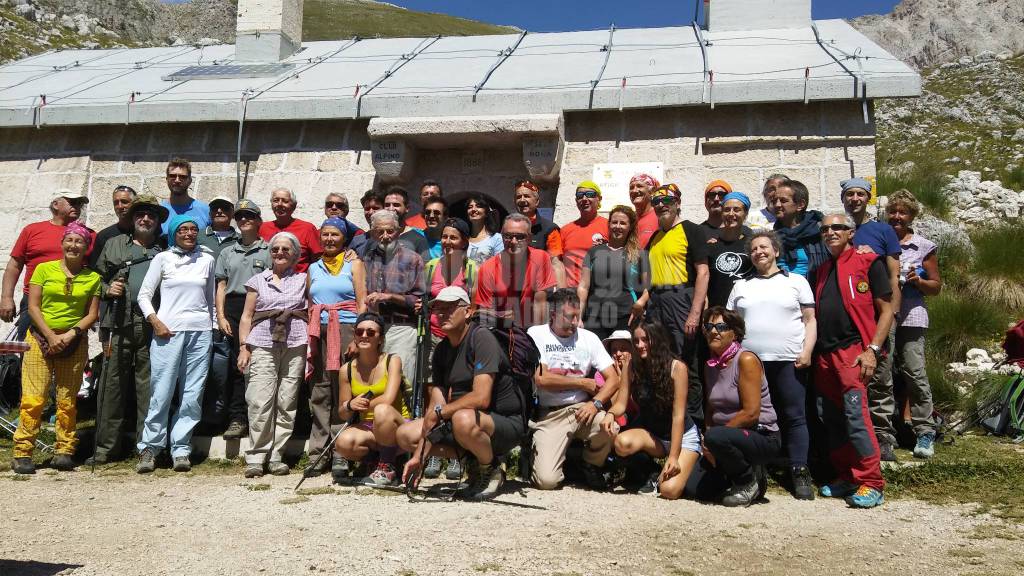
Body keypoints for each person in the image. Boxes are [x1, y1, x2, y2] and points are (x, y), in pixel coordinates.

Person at [399, 286, 527, 500]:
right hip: (464, 422)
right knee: (406, 435)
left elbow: (481, 397)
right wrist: (419, 456)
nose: (441, 314)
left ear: (468, 311)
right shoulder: (441, 351)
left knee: (463, 418)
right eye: (437, 309)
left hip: (504, 422)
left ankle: (491, 468)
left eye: (449, 308)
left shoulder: (481, 338)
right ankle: (474, 460)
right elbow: (435, 407)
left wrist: (440, 413)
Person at [726, 230, 817, 499]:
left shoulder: (797, 281)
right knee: (754, 417)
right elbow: (730, 325)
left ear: (776, 251)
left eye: (764, 247)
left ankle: (799, 469)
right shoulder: (741, 285)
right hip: (750, 364)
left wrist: (807, 350)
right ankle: (755, 470)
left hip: (788, 359)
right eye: (753, 249)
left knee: (794, 415)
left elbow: (809, 320)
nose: (759, 252)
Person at [812, 213, 893, 508]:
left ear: (851, 232)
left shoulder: (868, 262)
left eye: (837, 228)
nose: (830, 233)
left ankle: (872, 482)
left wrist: (872, 349)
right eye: (825, 229)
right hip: (825, 354)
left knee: (856, 416)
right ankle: (847, 476)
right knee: (830, 418)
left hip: (853, 351)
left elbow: (887, 310)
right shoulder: (822, 270)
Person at [10, 222, 100, 474]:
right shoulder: (43, 269)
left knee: (67, 399)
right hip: (40, 338)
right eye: (69, 240)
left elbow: (92, 314)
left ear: (86, 247)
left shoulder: (92, 277)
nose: (73, 245)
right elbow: (34, 306)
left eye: (79, 241)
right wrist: (50, 336)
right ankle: (23, 451)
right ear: (62, 243)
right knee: (34, 397)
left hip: (74, 342)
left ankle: (64, 450)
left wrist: (71, 334)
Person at [89, 195, 168, 465]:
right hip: (117, 321)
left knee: (149, 386)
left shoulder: (165, 249)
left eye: (151, 216)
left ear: (157, 222)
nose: (145, 219)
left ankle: (145, 447)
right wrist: (106, 288)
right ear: (133, 219)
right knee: (112, 384)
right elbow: (93, 278)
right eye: (140, 215)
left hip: (150, 323)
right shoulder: (112, 244)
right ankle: (104, 448)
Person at [135, 215, 216, 474]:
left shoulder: (207, 259)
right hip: (167, 331)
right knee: (162, 391)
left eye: (194, 229)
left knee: (193, 393)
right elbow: (144, 295)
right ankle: (150, 447)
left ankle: (181, 448)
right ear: (174, 233)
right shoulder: (163, 258)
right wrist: (154, 321)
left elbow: (211, 297)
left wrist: (211, 325)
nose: (190, 233)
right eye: (183, 229)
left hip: (199, 331)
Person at [528, 288, 621, 490]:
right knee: (546, 482)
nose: (576, 322)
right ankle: (556, 458)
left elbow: (613, 379)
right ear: (553, 315)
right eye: (570, 317)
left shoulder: (589, 338)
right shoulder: (537, 334)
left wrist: (596, 404)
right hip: (551, 414)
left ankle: (591, 463)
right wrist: (581, 382)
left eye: (578, 316)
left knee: (609, 427)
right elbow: (541, 378)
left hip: (582, 409)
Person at [235, 232, 309, 477]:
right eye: (275, 249)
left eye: (286, 249)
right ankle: (256, 456)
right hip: (263, 342)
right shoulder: (258, 280)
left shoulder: (303, 279)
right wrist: (243, 347)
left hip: (296, 342)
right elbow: (247, 316)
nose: (280, 253)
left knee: (287, 400)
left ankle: (277, 455)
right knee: (259, 399)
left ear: (295, 254)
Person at [693, 306, 780, 506]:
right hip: (725, 437)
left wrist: (715, 439)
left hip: (761, 435)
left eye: (721, 326)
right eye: (709, 326)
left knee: (717, 437)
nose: (714, 331)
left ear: (735, 333)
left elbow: (751, 413)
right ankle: (734, 475)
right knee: (697, 490)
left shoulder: (746, 359)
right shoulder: (711, 365)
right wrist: (707, 439)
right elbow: (710, 407)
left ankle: (748, 481)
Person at [842, 177, 902, 461]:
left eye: (859, 194)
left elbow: (893, 275)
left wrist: (892, 313)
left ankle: (883, 436)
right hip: (850, 318)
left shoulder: (883, 231)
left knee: (880, 376)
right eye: (849, 194)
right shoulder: (838, 227)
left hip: (879, 314)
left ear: (868, 198)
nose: (854, 198)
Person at [608, 320, 700, 499]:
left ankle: (689, 460)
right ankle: (652, 472)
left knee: (669, 491)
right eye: (636, 341)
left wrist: (673, 456)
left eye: (645, 340)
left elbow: (678, 415)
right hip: (654, 436)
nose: (640, 345)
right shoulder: (631, 365)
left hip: (681, 436)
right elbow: (621, 403)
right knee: (621, 443)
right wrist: (610, 415)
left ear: (657, 339)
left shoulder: (677, 367)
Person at [644, 183, 709, 426]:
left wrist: (695, 313)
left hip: (682, 299)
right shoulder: (655, 237)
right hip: (657, 302)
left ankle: (693, 426)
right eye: (656, 202)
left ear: (678, 202)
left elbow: (703, 272)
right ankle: (667, 422)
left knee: (686, 363)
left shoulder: (691, 230)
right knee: (661, 360)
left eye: (667, 201)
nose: (661, 205)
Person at [307, 216, 367, 476]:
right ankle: (318, 452)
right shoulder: (313, 268)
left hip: (345, 328)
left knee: (344, 390)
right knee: (319, 390)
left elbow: (363, 302)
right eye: (325, 235)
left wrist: (357, 337)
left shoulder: (354, 264)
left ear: (344, 238)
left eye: (335, 235)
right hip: (318, 331)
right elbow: (309, 301)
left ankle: (342, 451)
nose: (329, 239)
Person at [885, 190, 941, 459]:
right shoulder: (879, 240)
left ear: (911, 216)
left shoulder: (923, 246)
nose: (897, 216)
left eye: (902, 212)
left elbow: (936, 287)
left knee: (914, 372)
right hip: (883, 316)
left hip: (911, 315)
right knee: (882, 374)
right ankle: (884, 433)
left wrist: (918, 282)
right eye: (893, 211)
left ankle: (925, 431)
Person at [2, 189, 91, 339]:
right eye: (72, 202)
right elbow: (14, 266)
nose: (77, 206)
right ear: (56, 204)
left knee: (70, 353)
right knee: (30, 350)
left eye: (80, 203)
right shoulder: (32, 230)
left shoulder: (87, 235)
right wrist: (6, 298)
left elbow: (93, 270)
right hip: (34, 301)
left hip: (72, 304)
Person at [214, 199, 269, 441]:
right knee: (237, 366)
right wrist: (221, 315)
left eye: (249, 216)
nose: (244, 220)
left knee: (261, 366)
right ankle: (237, 418)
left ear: (259, 221)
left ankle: (260, 417)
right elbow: (221, 285)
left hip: (261, 309)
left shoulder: (269, 250)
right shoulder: (227, 252)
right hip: (234, 309)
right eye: (240, 217)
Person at [335, 312, 410, 486]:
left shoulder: (392, 361)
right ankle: (378, 462)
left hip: (395, 425)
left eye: (370, 333)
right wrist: (349, 405)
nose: (364, 336)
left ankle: (387, 467)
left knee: (382, 410)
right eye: (359, 332)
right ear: (354, 335)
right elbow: (342, 412)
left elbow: (388, 399)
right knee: (343, 443)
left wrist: (361, 405)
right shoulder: (346, 369)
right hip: (369, 428)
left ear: (380, 339)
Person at [363, 209, 425, 388]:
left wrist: (389, 296)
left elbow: (419, 300)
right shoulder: (367, 258)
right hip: (373, 328)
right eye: (379, 231)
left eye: (389, 231)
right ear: (373, 232)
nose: (385, 236)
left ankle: (402, 417)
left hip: (401, 327)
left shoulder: (412, 259)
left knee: (402, 380)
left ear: (398, 231)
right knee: (374, 381)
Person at [578, 205, 649, 340]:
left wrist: (640, 303)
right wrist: (579, 317)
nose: (618, 226)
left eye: (623, 223)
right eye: (614, 222)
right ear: (609, 224)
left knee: (623, 358)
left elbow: (648, 288)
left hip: (625, 316)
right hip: (594, 317)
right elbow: (583, 286)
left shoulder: (640, 255)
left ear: (630, 226)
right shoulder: (593, 252)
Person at [474, 214, 556, 328]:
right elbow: (483, 313)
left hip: (532, 330)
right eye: (508, 236)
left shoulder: (540, 258)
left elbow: (540, 304)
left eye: (520, 237)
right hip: (501, 331)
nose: (513, 241)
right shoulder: (487, 268)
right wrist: (502, 316)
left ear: (529, 238)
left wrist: (534, 338)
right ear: (501, 237)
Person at [705, 192, 755, 308]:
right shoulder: (711, 246)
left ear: (745, 214)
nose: (731, 214)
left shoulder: (752, 246)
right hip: (717, 314)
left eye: (736, 210)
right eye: (727, 210)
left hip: (746, 312)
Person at [773, 179, 829, 279]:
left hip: (813, 289)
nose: (777, 205)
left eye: (783, 201)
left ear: (800, 205)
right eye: (775, 201)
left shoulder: (821, 232)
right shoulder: (773, 236)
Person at [513, 180, 566, 286]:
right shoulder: (510, 227)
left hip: (539, 290)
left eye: (527, 196)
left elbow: (556, 264)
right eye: (518, 197)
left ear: (536, 202)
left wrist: (561, 296)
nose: (522, 200)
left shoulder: (549, 229)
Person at [259, 188, 322, 272]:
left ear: (294, 206)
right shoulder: (262, 228)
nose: (280, 204)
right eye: (276, 200)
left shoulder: (307, 228)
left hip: (298, 282)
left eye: (285, 201)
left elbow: (318, 260)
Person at [560, 181, 609, 287]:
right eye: (580, 195)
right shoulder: (565, 230)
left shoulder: (610, 226)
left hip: (599, 292)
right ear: (576, 200)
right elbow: (558, 264)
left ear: (599, 199)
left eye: (590, 194)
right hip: (571, 293)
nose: (584, 199)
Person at [89, 185, 136, 269]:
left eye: (124, 202)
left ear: (134, 204)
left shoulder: (144, 233)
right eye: (116, 203)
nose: (120, 206)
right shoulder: (104, 236)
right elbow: (95, 270)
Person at [161, 158, 210, 236]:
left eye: (182, 177)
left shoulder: (205, 211)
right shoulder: (159, 211)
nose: (177, 180)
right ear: (167, 180)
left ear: (190, 181)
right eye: (172, 176)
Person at [383, 186, 431, 259]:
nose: (391, 209)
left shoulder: (418, 239)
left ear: (407, 208)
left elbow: (427, 268)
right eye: (387, 205)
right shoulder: (376, 237)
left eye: (396, 205)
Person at [462, 193, 504, 265]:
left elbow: (500, 266)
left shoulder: (496, 238)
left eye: (478, 206)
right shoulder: (463, 239)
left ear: (486, 212)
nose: (473, 209)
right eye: (470, 207)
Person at [198, 196, 239, 260]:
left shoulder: (241, 240)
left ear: (233, 213)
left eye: (225, 207)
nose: (219, 211)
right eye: (215, 208)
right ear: (209, 213)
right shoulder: (198, 236)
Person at [629, 173, 661, 248]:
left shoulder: (660, 216)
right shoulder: (629, 218)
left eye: (639, 186)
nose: (634, 190)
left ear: (652, 191)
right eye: (631, 187)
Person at [422, 196, 448, 260]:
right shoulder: (414, 237)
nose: (431, 216)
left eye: (436, 213)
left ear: (445, 217)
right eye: (428, 212)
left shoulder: (450, 243)